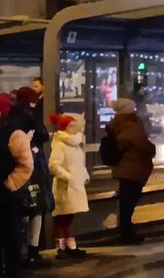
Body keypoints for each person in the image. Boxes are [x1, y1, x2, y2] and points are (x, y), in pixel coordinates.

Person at [6, 87, 53, 268]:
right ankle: (31, 252)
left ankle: (21, 252)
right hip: (31, 170)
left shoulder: (10, 118)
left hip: (14, 173)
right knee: (35, 209)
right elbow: (43, 134)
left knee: (22, 211)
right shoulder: (29, 115)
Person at [107, 98, 156, 244]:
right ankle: (126, 232)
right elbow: (144, 144)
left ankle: (126, 230)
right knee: (129, 202)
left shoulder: (118, 124)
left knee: (126, 201)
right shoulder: (130, 125)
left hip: (125, 168)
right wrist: (152, 149)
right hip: (132, 168)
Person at [0, 96, 34, 278]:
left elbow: (26, 165)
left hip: (7, 194)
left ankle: (12, 271)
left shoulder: (14, 134)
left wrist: (11, 184)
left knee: (10, 235)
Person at [48, 113, 89, 259]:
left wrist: (84, 176)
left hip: (74, 185)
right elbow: (54, 165)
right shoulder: (60, 144)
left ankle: (71, 245)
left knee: (69, 216)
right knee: (62, 217)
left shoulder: (75, 144)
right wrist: (68, 177)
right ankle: (62, 247)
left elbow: (79, 163)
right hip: (65, 187)